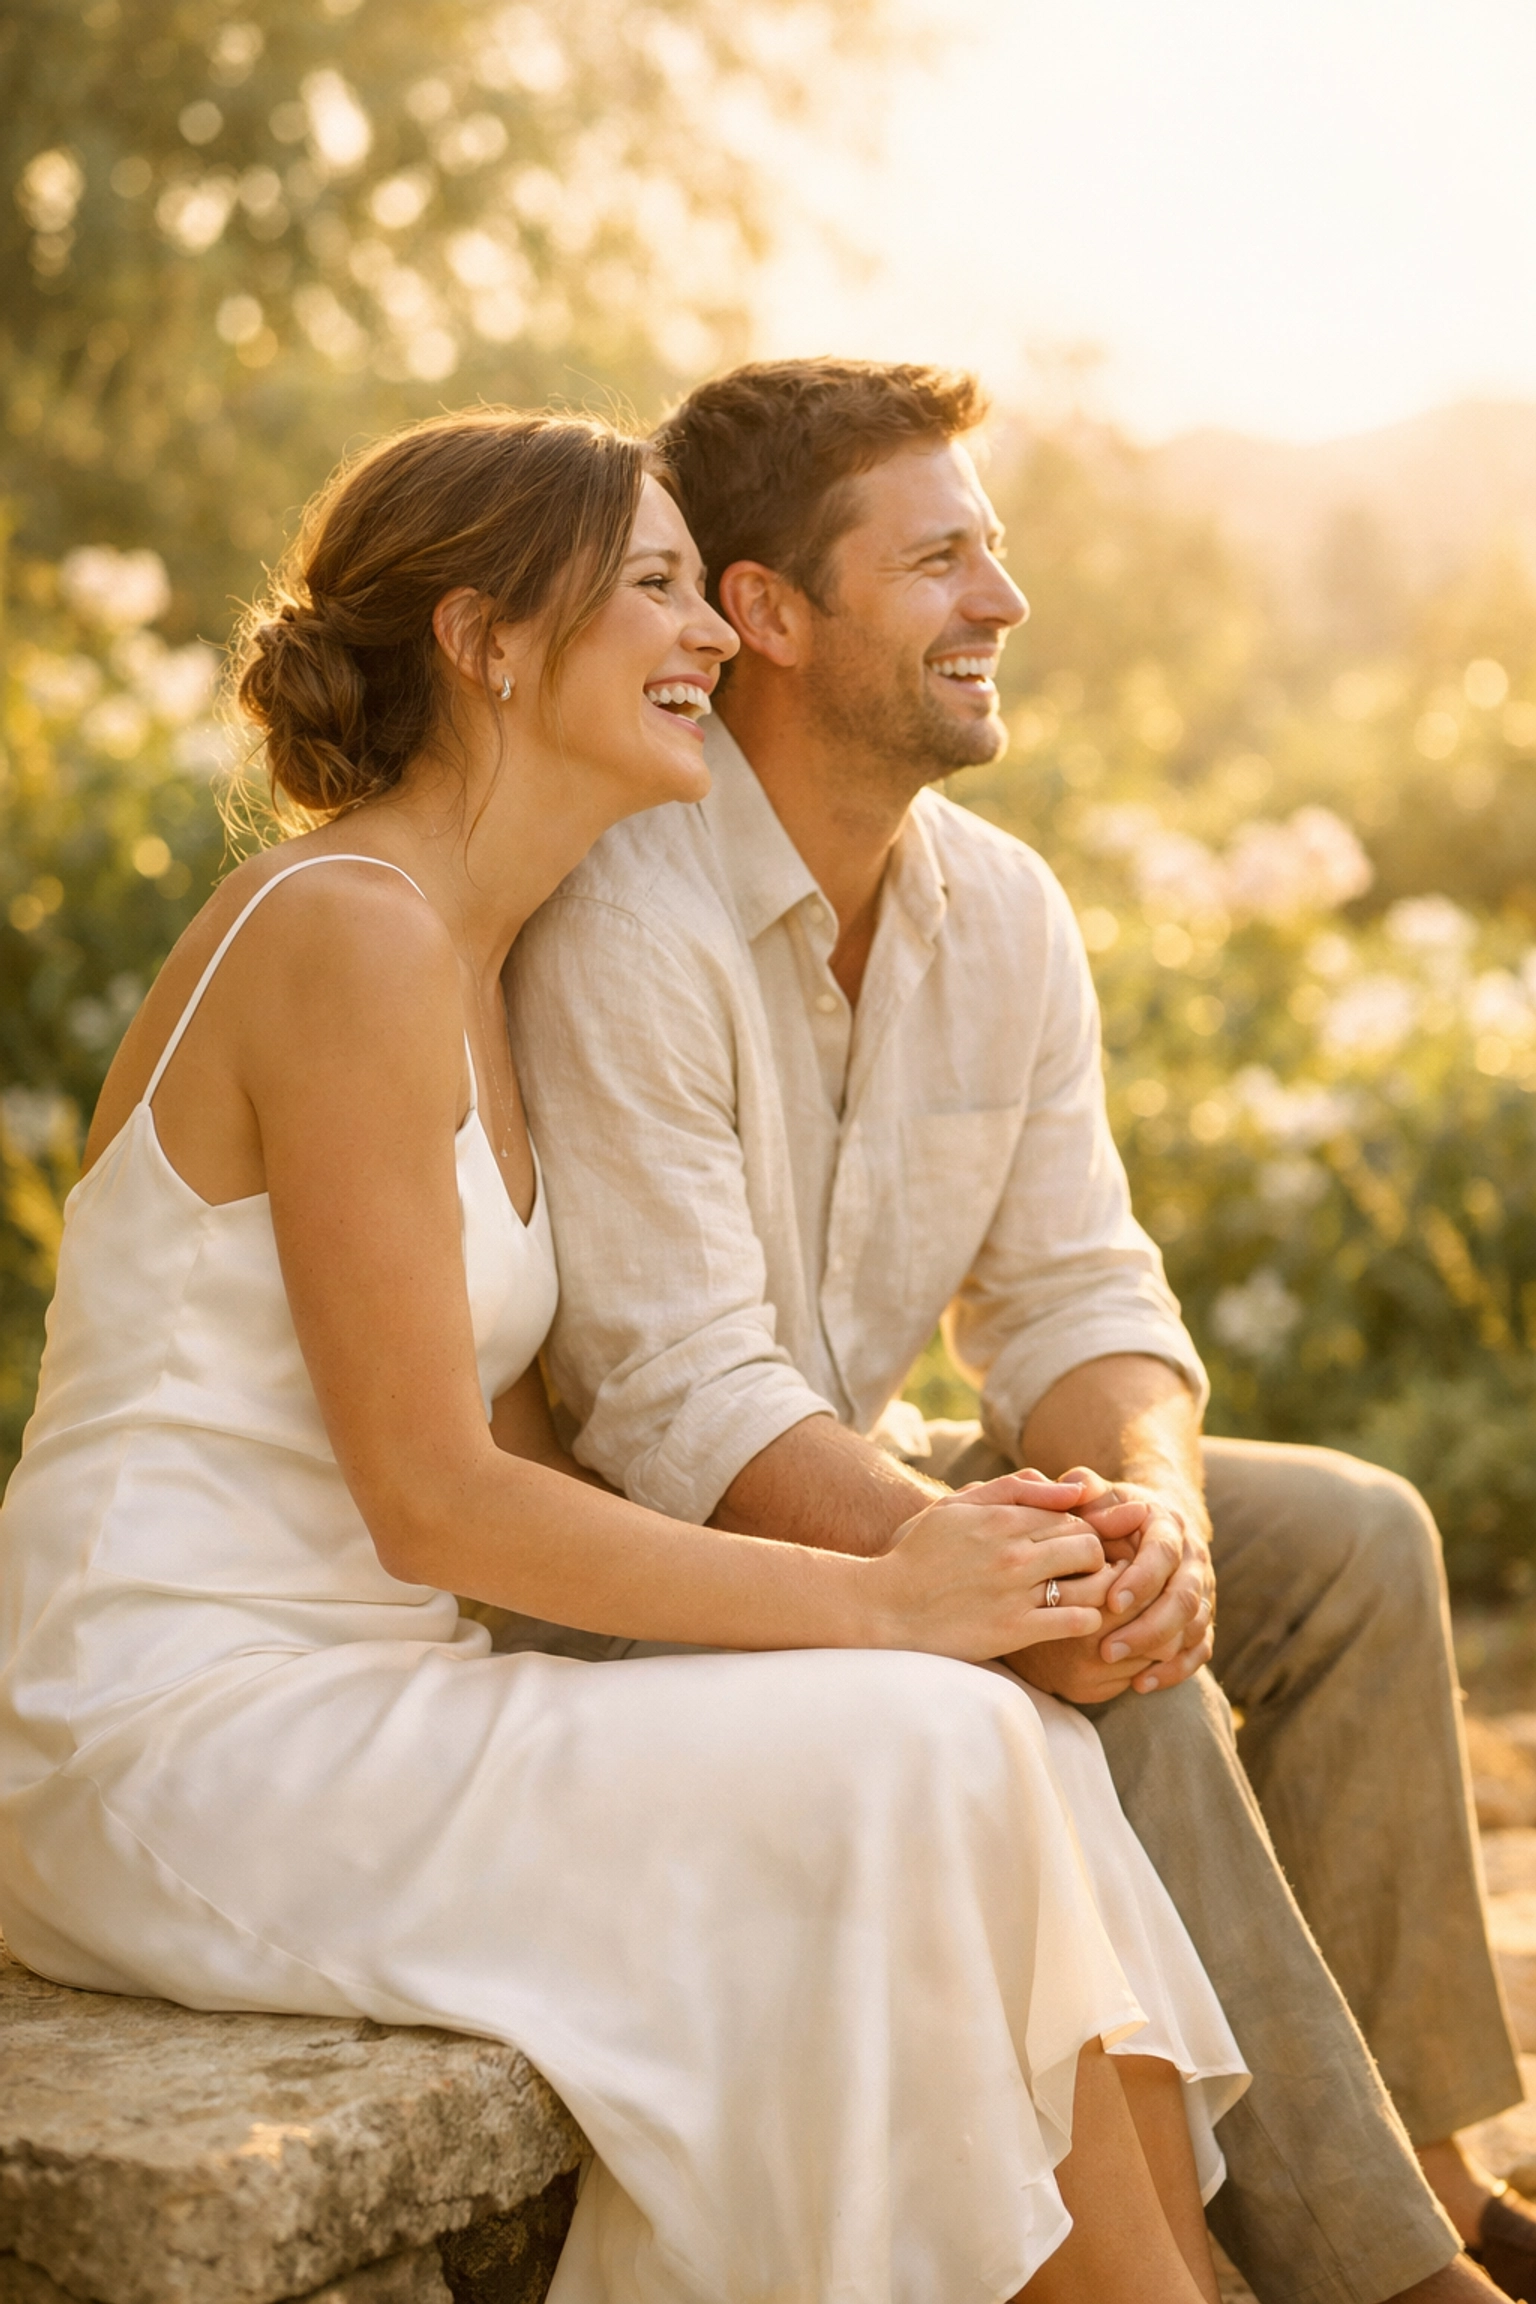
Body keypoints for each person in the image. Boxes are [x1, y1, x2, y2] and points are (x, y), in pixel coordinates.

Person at [0, 406, 1257, 2304]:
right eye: (657, 591)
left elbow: (515, 1467)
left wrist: (946, 1595)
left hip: (376, 1698)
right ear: (488, 641)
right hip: (175, 1731)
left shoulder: (480, 958)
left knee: (992, 1735)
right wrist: (889, 1596)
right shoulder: (340, 931)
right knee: (920, 1730)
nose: (711, 639)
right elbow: (435, 1499)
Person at [505, 359, 1531, 2304]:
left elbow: (1073, 1290)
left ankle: (1435, 2179)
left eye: (999, 550)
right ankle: (1387, 2284)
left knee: (1352, 1537)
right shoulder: (626, 916)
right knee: (1075, 1612)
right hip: (669, 1576)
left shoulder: (1003, 911)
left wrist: (1151, 1503)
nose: (1006, 600)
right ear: (771, 616)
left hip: (854, 1485)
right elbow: (674, 1400)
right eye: (945, 558)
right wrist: (1011, 1561)